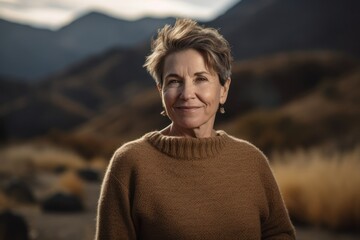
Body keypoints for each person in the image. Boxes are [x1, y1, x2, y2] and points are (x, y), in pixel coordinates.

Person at [95, 19, 296, 239]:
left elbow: (279, 233)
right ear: (160, 90)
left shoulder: (251, 160)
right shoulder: (131, 163)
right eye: (174, 81)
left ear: (223, 89)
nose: (187, 93)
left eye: (200, 78)